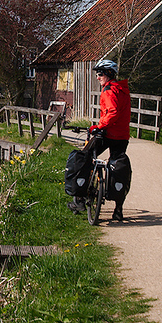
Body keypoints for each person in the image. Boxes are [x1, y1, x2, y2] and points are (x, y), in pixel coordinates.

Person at [69, 59, 131, 221]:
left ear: (109, 74)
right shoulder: (123, 89)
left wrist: (98, 126)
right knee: (117, 168)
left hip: (108, 134)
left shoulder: (109, 90)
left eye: (100, 74)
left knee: (85, 157)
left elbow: (113, 112)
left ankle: (80, 199)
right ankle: (118, 209)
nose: (97, 77)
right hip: (122, 136)